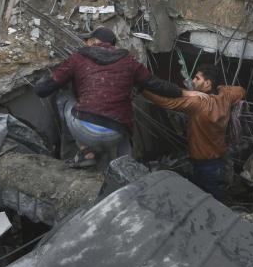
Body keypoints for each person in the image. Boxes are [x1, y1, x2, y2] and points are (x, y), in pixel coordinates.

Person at [33, 27, 183, 169]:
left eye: (88, 41)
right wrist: (180, 92)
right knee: (121, 116)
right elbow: (154, 83)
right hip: (116, 134)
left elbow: (42, 90)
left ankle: (83, 150)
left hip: (85, 131)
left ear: (93, 42)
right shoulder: (128, 60)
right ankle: (124, 167)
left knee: (64, 97)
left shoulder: (78, 57)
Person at [143, 64, 245, 198]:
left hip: (203, 161)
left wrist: (142, 90)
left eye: (197, 78)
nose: (193, 81)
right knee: (209, 191)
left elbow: (167, 102)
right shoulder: (225, 97)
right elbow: (241, 90)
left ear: (207, 83)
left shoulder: (199, 102)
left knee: (208, 195)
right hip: (218, 157)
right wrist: (220, 89)